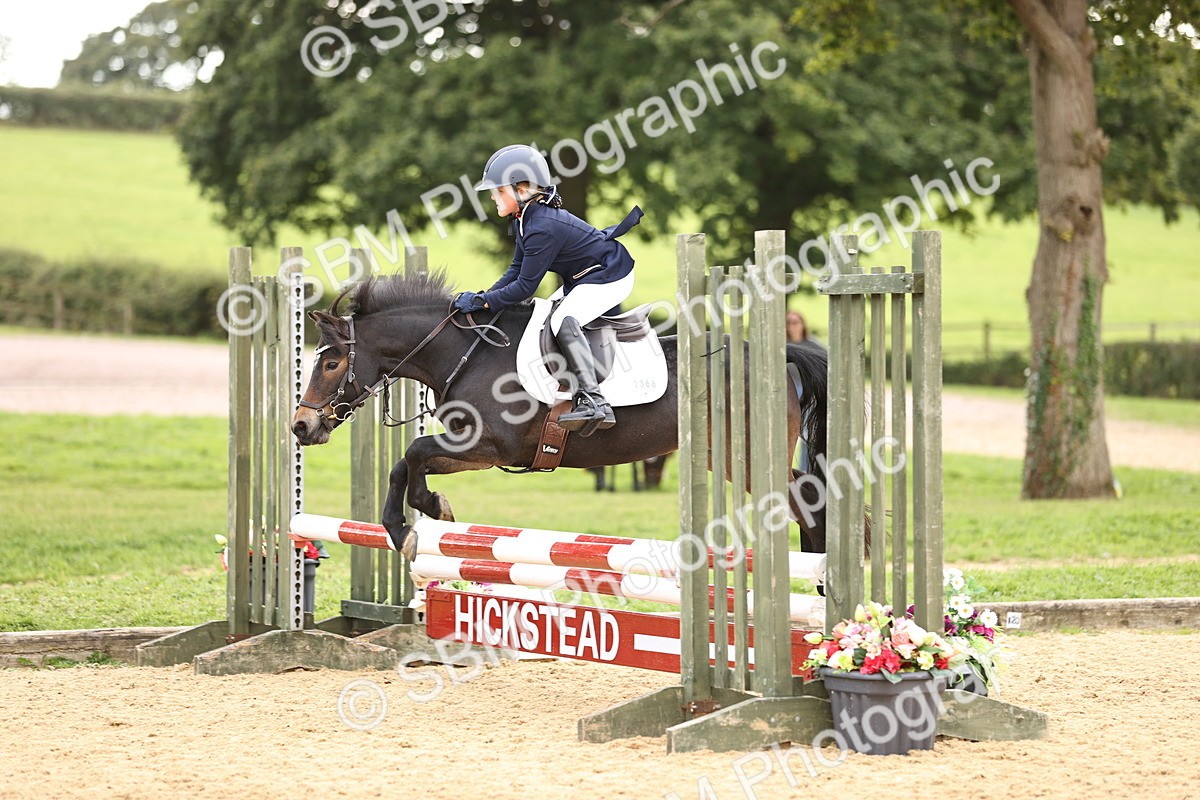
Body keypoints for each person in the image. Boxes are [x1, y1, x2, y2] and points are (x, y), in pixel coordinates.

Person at [454, 144, 643, 434]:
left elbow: (525, 287)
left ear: (524, 188)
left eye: (499, 191)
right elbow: (515, 271)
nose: (492, 196)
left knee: (561, 321)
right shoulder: (524, 220)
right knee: (544, 315)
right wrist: (485, 299)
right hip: (585, 276)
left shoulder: (541, 227)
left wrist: (485, 303)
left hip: (611, 275)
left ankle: (594, 400)